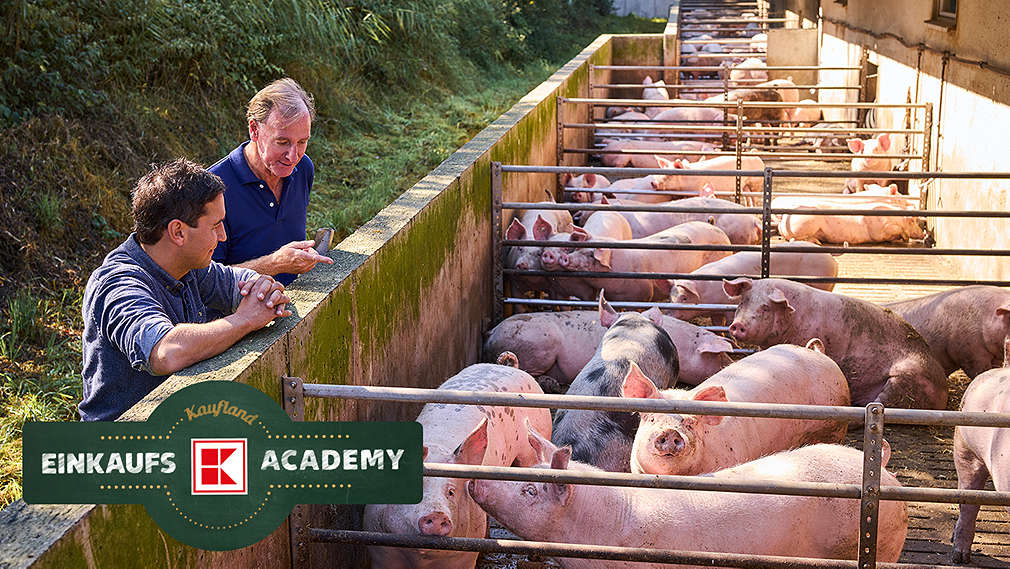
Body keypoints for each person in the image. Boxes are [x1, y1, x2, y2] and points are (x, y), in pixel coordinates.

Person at [80, 159, 292, 421]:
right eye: (215, 226)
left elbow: (239, 282)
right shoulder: (118, 285)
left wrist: (262, 287)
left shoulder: (189, 265)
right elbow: (166, 352)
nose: (223, 236)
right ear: (178, 232)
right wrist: (244, 320)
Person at [210, 77, 332, 286]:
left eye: (302, 142)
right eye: (282, 142)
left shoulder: (303, 168)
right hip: (238, 315)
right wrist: (275, 263)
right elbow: (204, 282)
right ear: (254, 130)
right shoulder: (212, 189)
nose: (293, 156)